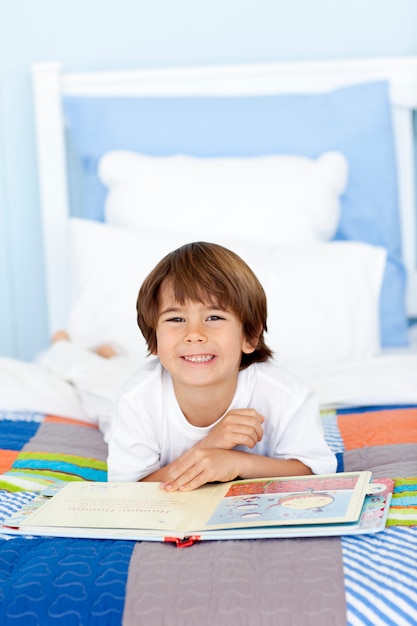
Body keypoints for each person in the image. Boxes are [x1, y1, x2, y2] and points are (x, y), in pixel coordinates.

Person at [107, 241, 336, 491]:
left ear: (250, 336)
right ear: (153, 340)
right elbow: (127, 491)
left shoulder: (287, 396)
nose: (194, 334)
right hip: (111, 396)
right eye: (176, 319)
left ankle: (111, 357)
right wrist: (210, 444)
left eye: (214, 317)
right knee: (94, 383)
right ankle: (84, 351)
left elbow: (315, 472)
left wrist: (238, 463)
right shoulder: (136, 398)